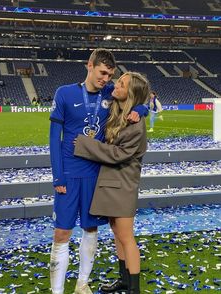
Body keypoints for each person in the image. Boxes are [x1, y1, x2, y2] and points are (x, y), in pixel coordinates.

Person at [49, 49, 148, 294]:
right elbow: (54, 139)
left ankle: (82, 284)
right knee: (62, 232)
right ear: (89, 65)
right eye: (102, 73)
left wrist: (142, 109)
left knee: (90, 229)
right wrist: (58, 176)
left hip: (97, 174)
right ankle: (57, 290)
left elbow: (139, 95)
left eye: (111, 75)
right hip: (70, 173)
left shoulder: (110, 92)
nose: (106, 79)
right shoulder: (64, 93)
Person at [74, 71, 150, 294]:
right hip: (112, 183)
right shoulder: (120, 111)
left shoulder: (136, 124)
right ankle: (124, 280)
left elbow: (118, 154)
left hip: (123, 185)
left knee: (127, 237)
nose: (116, 85)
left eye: (122, 84)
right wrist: (141, 106)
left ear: (131, 93)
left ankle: (133, 288)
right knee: (118, 235)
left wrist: (83, 144)